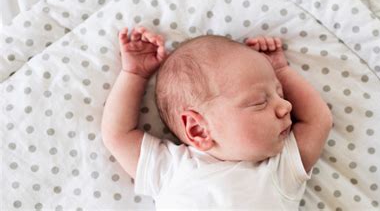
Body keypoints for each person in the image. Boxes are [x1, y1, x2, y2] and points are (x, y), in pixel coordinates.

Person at [101, 26, 333, 209]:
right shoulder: (172, 168)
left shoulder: (278, 168)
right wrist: (134, 74)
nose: (286, 105)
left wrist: (281, 70)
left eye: (280, 93)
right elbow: (118, 134)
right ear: (198, 130)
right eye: (260, 102)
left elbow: (318, 120)